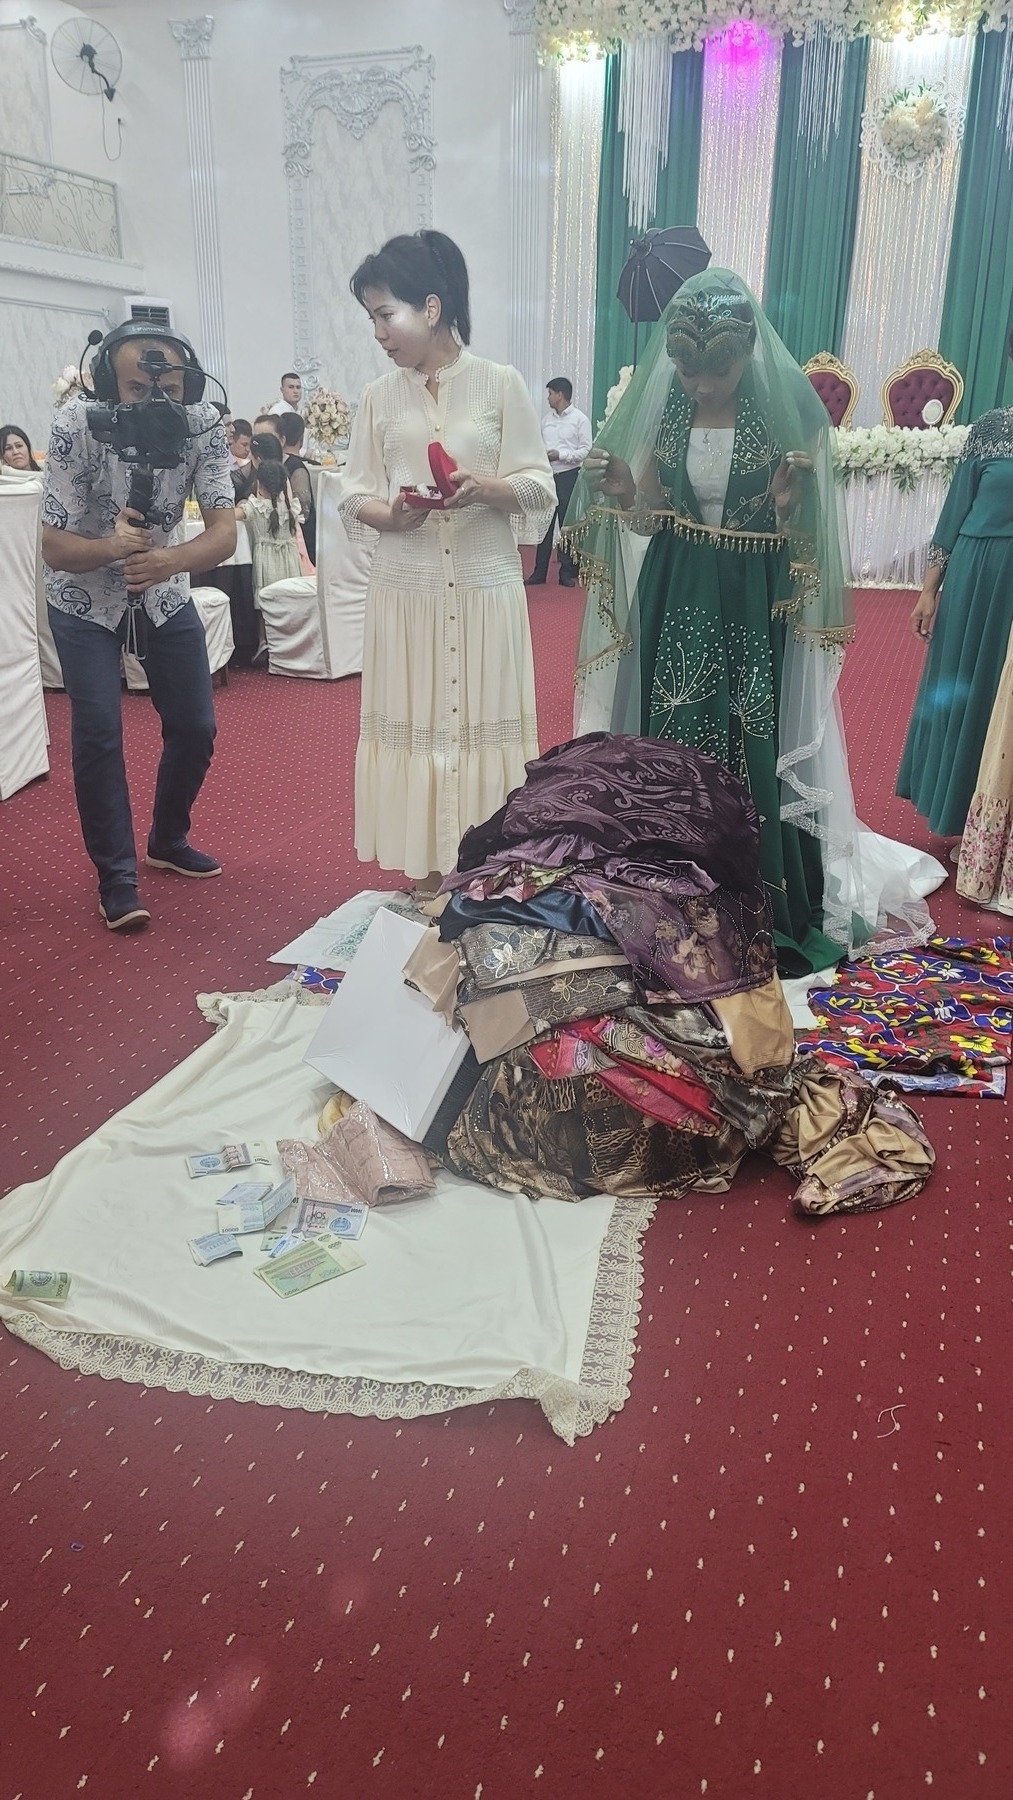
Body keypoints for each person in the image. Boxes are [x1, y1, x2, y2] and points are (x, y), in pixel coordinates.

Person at [566, 268, 942, 975]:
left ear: (745, 353)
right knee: (672, 731)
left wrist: (784, 507)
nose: (701, 383)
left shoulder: (783, 415)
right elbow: (652, 515)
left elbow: (808, 542)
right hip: (677, 589)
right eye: (686, 367)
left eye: (718, 369)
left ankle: (751, 893)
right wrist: (623, 490)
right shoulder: (670, 411)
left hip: (748, 597)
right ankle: (667, 889)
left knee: (746, 732)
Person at [337, 228, 555, 888]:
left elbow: (539, 486)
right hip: (407, 592)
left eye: (385, 314)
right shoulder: (378, 396)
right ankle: (432, 878)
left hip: (485, 589)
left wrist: (485, 488)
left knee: (481, 730)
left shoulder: (498, 384)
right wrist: (391, 513)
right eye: (371, 316)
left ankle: (485, 873)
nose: (378, 331)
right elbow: (352, 494)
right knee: (418, 726)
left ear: (430, 308)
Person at [40, 323, 236, 931]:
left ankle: (167, 839)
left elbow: (224, 533)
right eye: (133, 385)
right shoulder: (76, 423)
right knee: (98, 733)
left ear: (190, 382)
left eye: (169, 385)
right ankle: (117, 879)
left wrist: (168, 560)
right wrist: (110, 547)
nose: (155, 398)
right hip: (83, 598)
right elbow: (52, 545)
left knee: (196, 725)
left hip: (164, 587)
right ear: (105, 383)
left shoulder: (202, 422)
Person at [897, 362, 1013, 846]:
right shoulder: (993, 428)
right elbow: (954, 512)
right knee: (971, 688)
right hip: (980, 577)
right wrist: (929, 589)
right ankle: (962, 815)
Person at [525, 377, 591, 589]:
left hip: (568, 475)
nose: (548, 398)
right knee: (544, 524)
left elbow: (586, 450)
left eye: (550, 393)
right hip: (547, 476)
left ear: (560, 395)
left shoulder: (580, 419)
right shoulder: (546, 420)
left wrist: (560, 455)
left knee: (566, 525)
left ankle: (566, 572)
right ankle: (539, 572)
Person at [279, 411, 316, 565]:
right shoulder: (286, 464)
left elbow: (303, 513)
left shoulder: (295, 467)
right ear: (301, 438)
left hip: (301, 540)